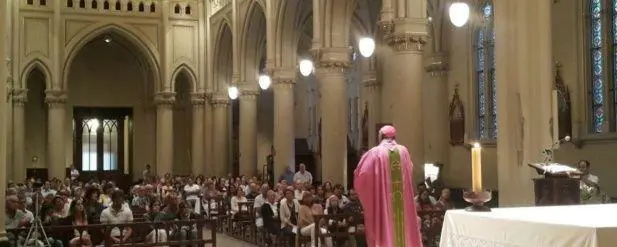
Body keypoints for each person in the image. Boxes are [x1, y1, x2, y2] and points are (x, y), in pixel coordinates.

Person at [354, 125, 422, 247]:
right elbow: (410, 170)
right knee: (403, 228)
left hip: (383, 202)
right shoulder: (404, 151)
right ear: (394, 136)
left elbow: (362, 175)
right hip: (401, 200)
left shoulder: (375, 152)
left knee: (384, 225)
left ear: (380, 136)